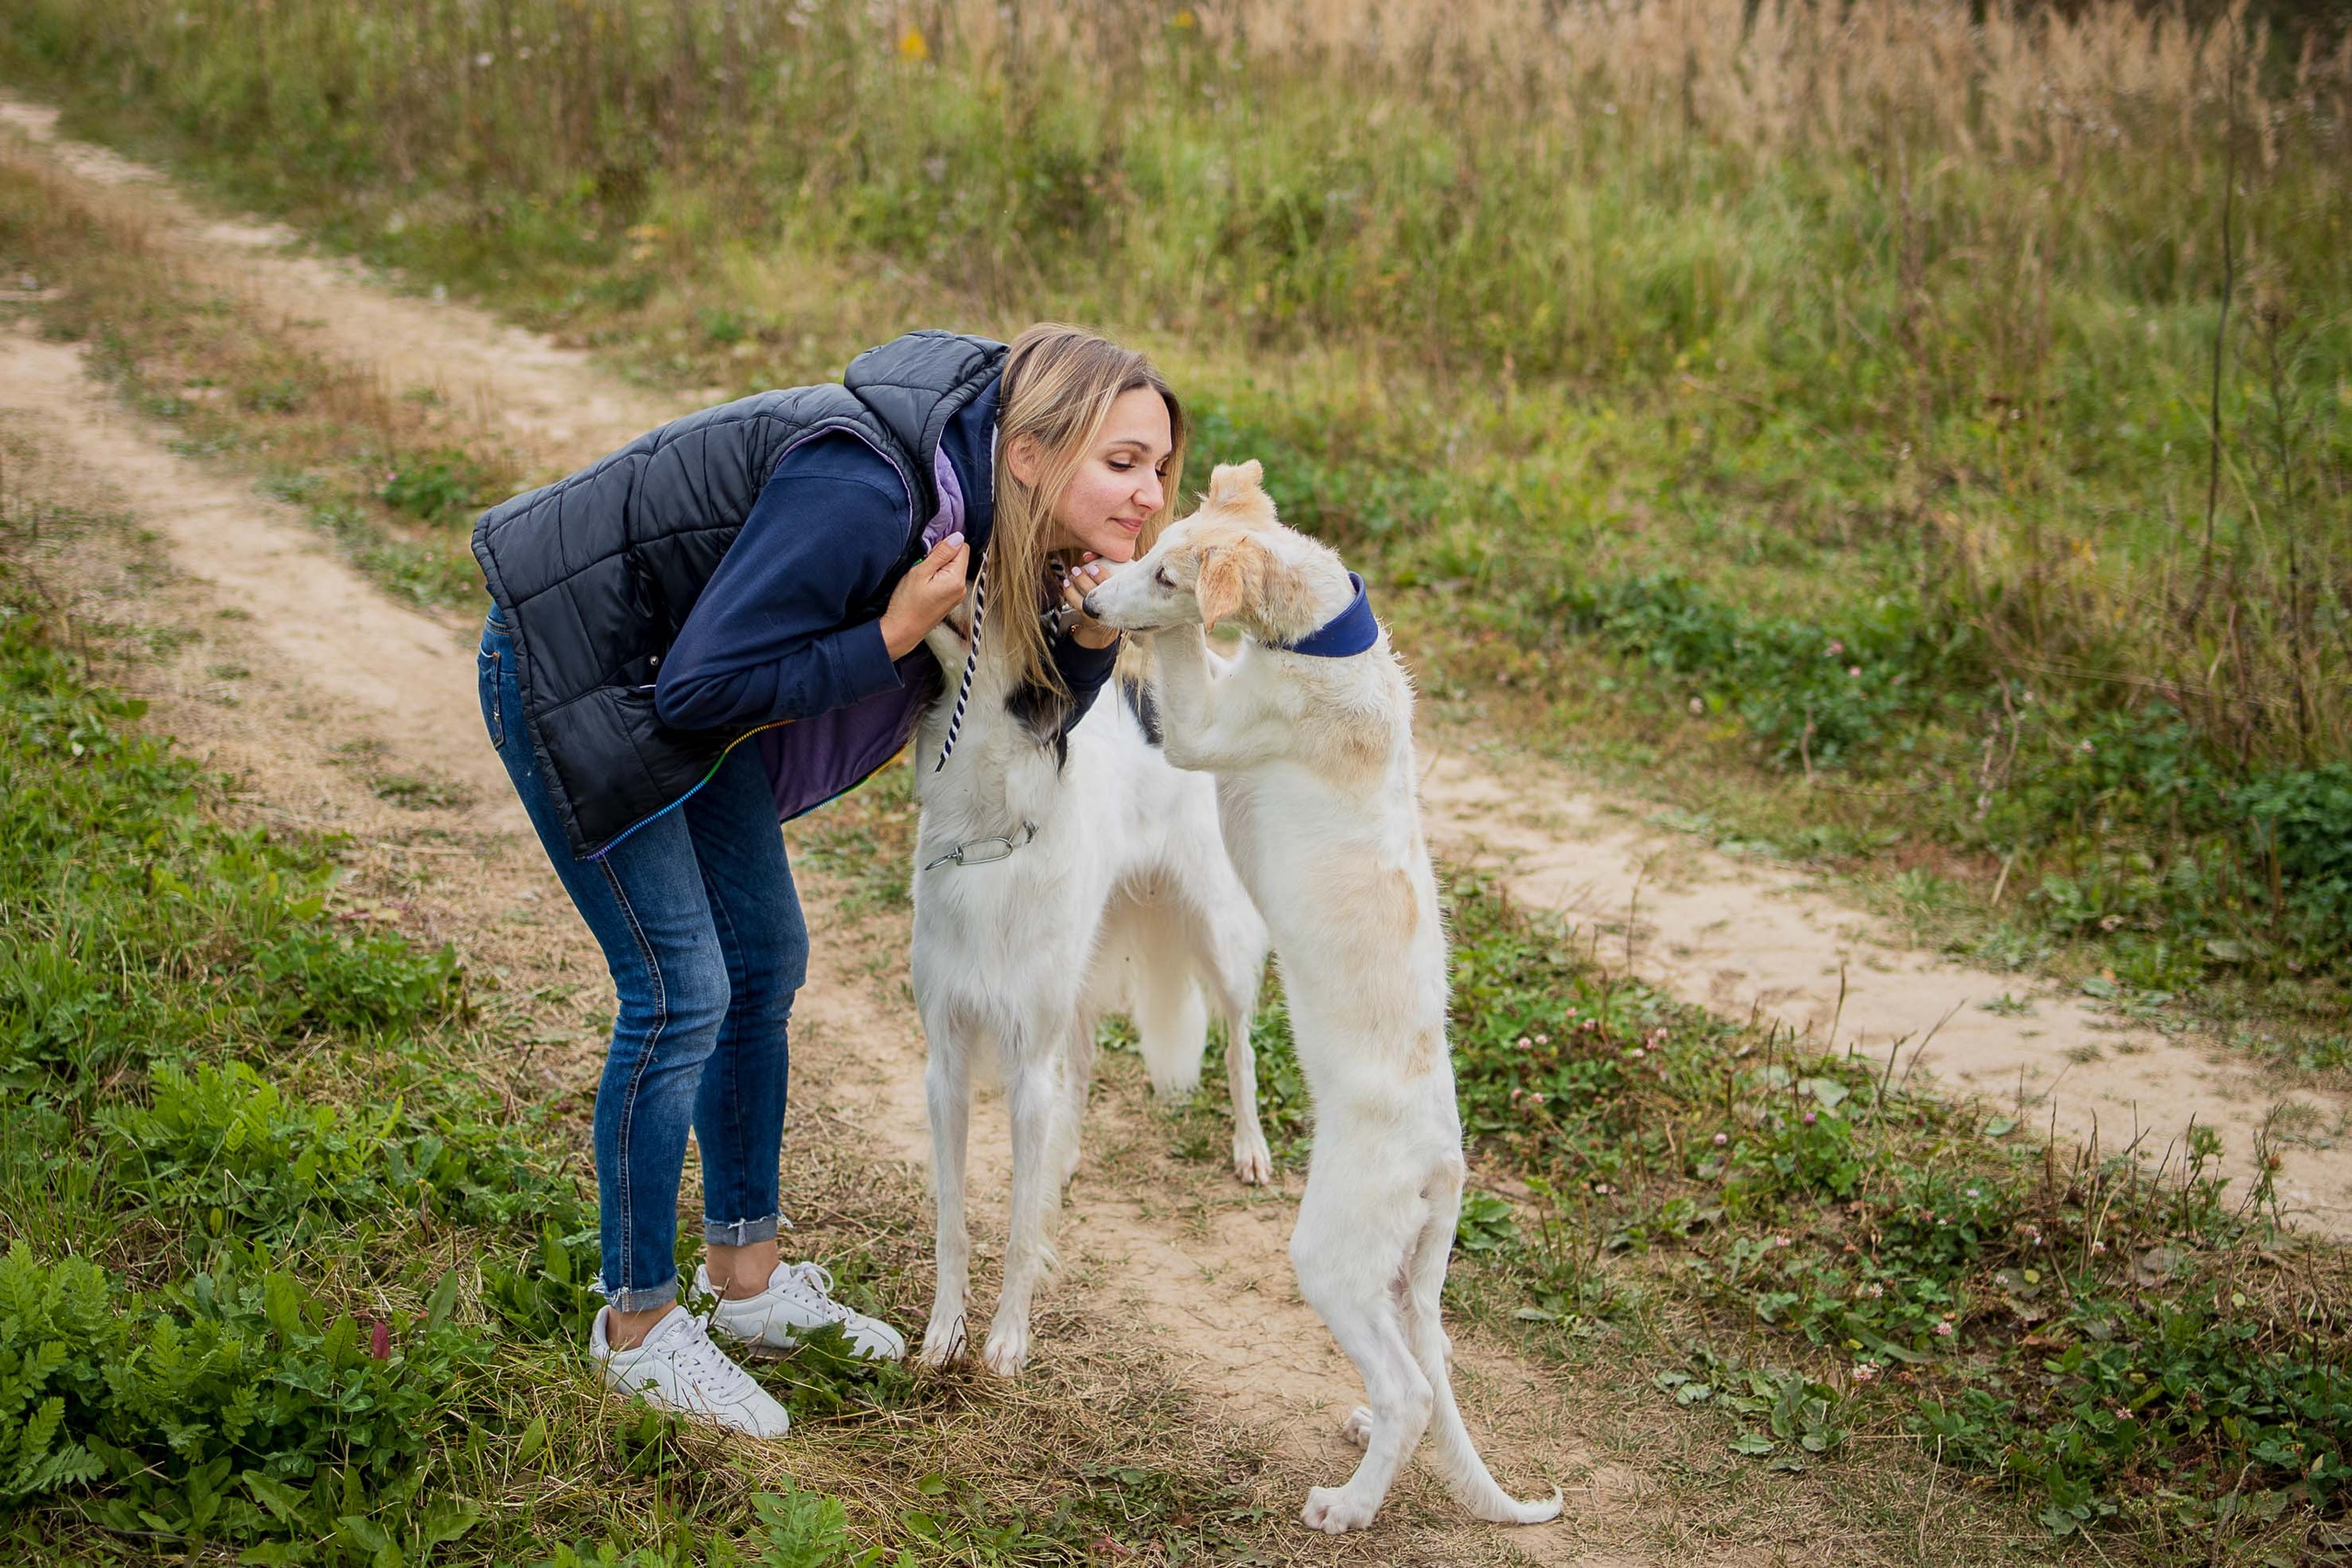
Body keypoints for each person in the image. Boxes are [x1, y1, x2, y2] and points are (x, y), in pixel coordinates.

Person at [472, 324, 1184, 1437]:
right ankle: (637, 1331)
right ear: (1035, 452)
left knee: (764, 960)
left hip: (675, 677)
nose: (1149, 497)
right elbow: (703, 687)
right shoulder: (869, 488)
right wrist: (894, 632)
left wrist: (1087, 635)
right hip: (584, 668)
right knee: (680, 991)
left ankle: (743, 1286)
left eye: (1158, 468)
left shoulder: (998, 507)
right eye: (1122, 462)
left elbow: (1029, 715)